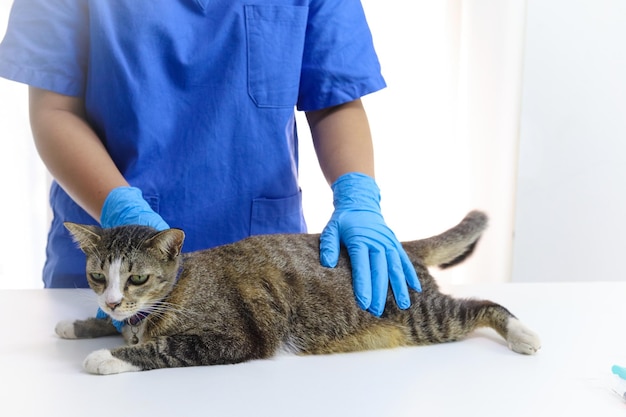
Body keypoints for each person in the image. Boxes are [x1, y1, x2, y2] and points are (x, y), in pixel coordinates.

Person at [0, 0, 420, 318]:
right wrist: (122, 212)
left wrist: (357, 196)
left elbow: (333, 98)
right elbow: (55, 110)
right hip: (109, 274)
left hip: (263, 271)